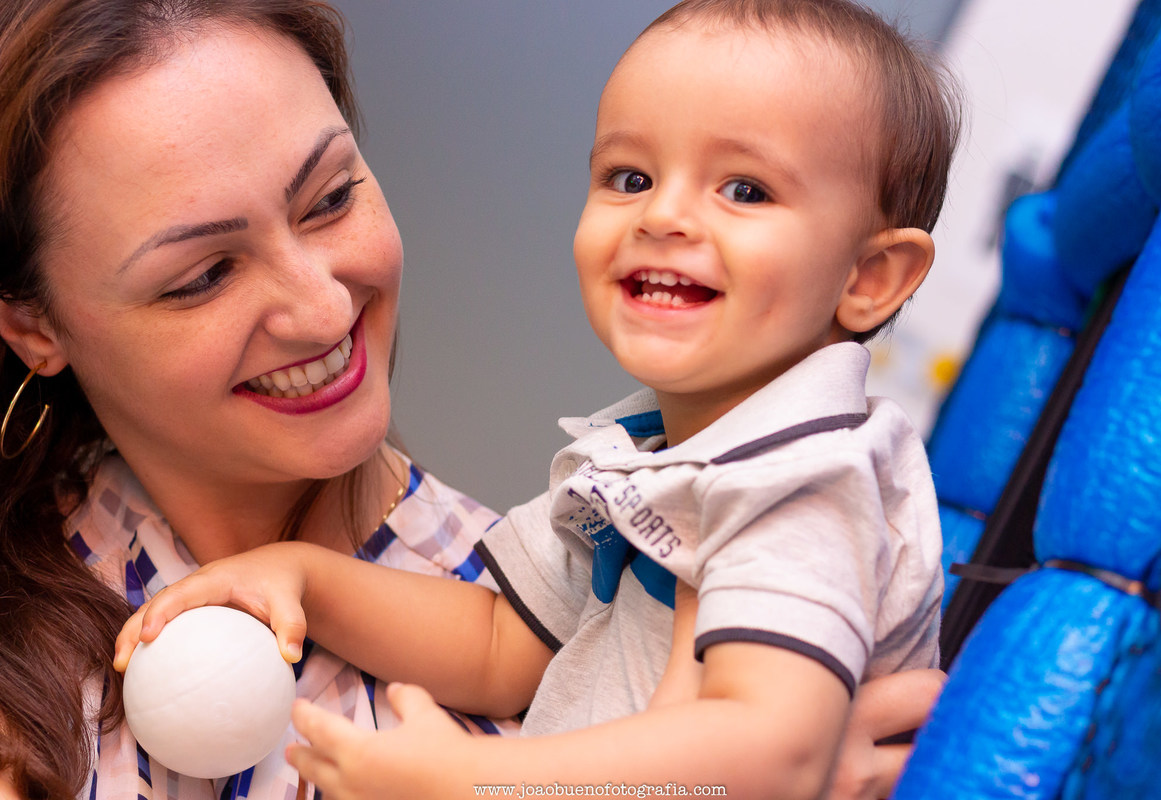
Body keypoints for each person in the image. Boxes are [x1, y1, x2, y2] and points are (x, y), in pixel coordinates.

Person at [0, 0, 943, 798]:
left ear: (873, 274)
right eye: (204, 274)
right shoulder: (632, 465)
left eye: (330, 199)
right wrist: (304, 575)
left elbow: (762, 751)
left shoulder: (801, 479)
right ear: (34, 324)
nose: (325, 307)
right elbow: (499, 642)